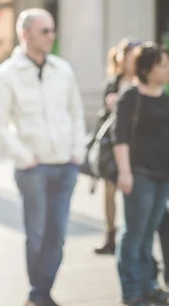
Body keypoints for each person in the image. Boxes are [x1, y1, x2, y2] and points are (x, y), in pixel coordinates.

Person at [0, 8, 86, 306]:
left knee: (58, 236)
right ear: (25, 33)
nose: (51, 35)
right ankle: (39, 293)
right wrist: (24, 157)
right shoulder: (5, 74)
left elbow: (77, 114)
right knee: (37, 235)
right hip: (33, 169)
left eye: (52, 30)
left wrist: (77, 153)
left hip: (66, 166)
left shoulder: (63, 70)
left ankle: (40, 294)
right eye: (45, 31)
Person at [113, 42, 169, 306]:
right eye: (163, 65)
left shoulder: (165, 98)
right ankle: (131, 290)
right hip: (139, 174)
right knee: (133, 234)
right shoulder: (130, 97)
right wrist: (124, 173)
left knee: (149, 233)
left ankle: (149, 285)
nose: (167, 69)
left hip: (162, 175)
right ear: (147, 69)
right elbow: (120, 137)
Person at [93, 39, 139, 255]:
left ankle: (135, 241)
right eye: (126, 57)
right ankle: (110, 235)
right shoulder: (112, 85)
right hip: (112, 146)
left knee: (136, 195)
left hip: (137, 148)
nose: (129, 62)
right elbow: (103, 118)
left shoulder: (143, 83)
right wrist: (111, 106)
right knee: (109, 192)